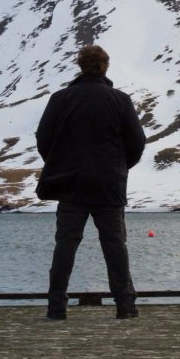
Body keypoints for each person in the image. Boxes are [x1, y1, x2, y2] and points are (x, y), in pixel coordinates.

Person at [35, 45, 147, 320]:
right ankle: (126, 307)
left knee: (65, 245)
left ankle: (56, 308)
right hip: (109, 184)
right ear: (105, 66)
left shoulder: (60, 99)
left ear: (80, 65)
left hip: (70, 183)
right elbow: (137, 142)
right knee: (114, 245)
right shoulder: (120, 100)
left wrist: (59, 163)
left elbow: (43, 139)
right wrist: (119, 167)